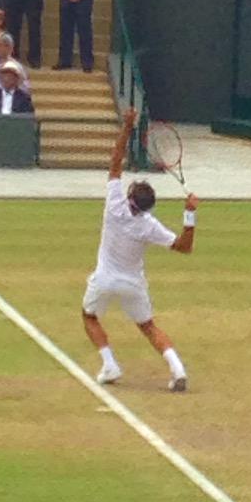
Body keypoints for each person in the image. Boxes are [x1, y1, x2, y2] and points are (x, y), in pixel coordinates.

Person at [81, 107, 197, 392]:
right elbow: (184, 248)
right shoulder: (150, 226)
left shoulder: (114, 202)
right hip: (133, 284)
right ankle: (178, 369)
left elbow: (115, 160)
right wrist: (190, 214)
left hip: (106, 280)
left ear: (130, 196)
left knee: (89, 316)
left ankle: (109, 364)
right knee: (148, 327)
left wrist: (128, 126)